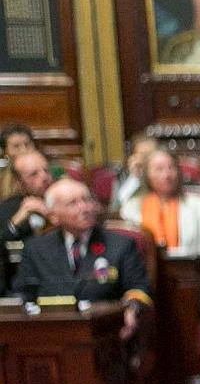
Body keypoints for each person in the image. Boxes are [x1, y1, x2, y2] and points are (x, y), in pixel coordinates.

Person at [14, 179, 151, 342]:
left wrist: (132, 308)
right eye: (73, 203)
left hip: (104, 335)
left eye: (87, 200)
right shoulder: (36, 248)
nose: (84, 208)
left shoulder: (120, 245)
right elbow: (22, 294)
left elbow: (139, 288)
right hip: (50, 336)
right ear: (54, 216)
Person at [123, 149, 200, 260]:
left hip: (187, 271)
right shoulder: (131, 208)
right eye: (159, 169)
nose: (167, 175)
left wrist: (183, 256)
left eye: (171, 168)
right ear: (147, 175)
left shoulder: (198, 205)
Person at [3, 149, 55, 245]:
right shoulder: (7, 208)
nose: (44, 177)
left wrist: (49, 215)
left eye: (46, 170)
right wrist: (15, 222)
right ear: (19, 182)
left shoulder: (68, 198)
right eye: (34, 174)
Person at [111, 134, 160, 209]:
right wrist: (135, 177)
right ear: (133, 157)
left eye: (152, 154)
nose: (148, 159)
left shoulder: (166, 176)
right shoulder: (122, 177)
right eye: (143, 155)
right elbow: (116, 206)